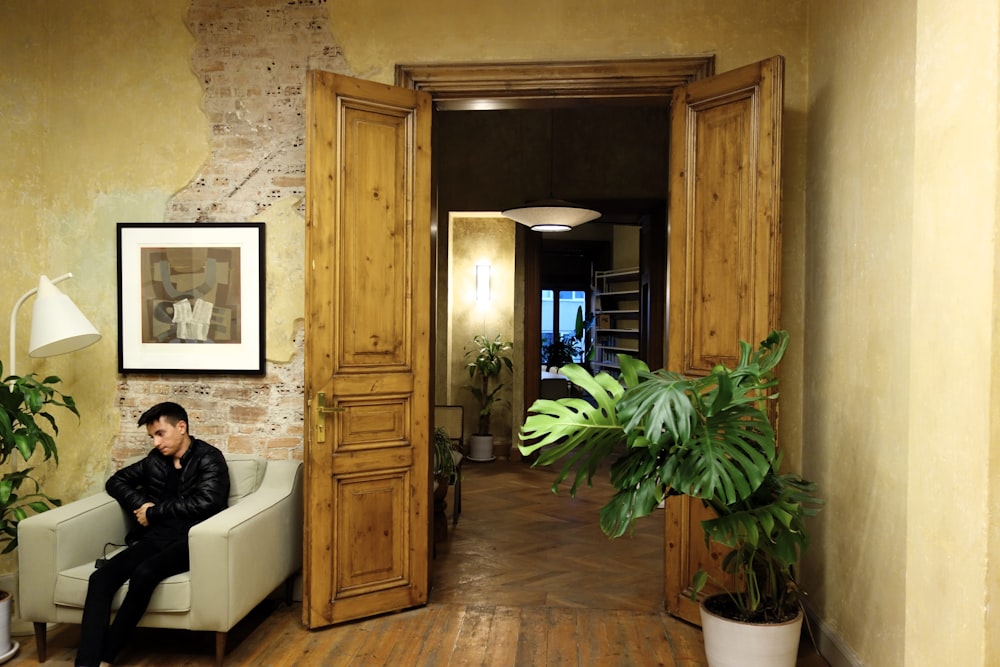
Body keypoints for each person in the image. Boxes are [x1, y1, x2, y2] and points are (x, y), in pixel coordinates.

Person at [75, 402, 230, 667]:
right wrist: (142, 506)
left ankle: (107, 656)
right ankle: (86, 663)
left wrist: (154, 511)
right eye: (152, 436)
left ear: (181, 427)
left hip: (191, 540)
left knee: (145, 573)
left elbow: (209, 502)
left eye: (160, 433)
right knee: (101, 578)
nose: (156, 442)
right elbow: (115, 482)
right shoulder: (155, 460)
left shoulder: (209, 458)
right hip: (155, 537)